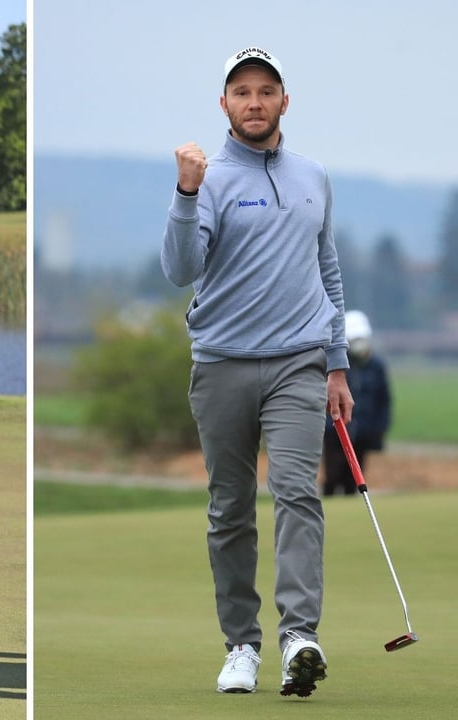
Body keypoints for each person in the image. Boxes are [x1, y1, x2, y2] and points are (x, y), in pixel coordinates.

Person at [161, 47, 353, 697]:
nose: (253, 101)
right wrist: (187, 192)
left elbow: (327, 272)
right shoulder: (209, 177)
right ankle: (241, 644)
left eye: (265, 90)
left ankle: (300, 634)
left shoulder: (313, 175)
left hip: (300, 362)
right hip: (221, 365)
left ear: (283, 101)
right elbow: (180, 268)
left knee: (299, 493)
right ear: (224, 105)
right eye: (241, 91)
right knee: (231, 509)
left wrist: (337, 365)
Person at [322, 310, 392, 496]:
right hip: (334, 431)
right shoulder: (337, 366)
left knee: (352, 481)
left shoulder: (376, 366)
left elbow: (384, 399)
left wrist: (379, 428)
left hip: (363, 431)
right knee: (332, 477)